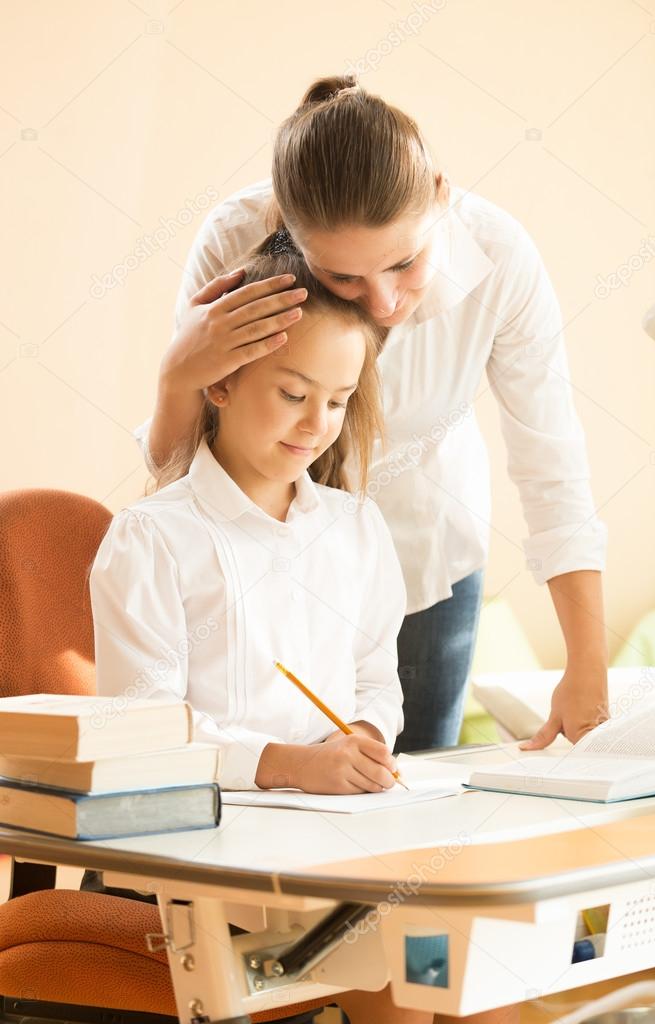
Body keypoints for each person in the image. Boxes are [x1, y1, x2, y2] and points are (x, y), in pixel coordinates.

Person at [139, 76, 609, 758]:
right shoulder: (236, 237)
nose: (385, 301)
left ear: (441, 197)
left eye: (404, 263)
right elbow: (177, 468)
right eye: (345, 279)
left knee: (407, 794)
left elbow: (552, 464)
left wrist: (587, 663)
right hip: (257, 560)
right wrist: (178, 372)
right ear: (294, 241)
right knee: (255, 786)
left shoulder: (502, 258)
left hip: (422, 561)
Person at [90, 233, 441, 1024]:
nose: (317, 423)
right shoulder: (154, 540)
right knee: (408, 959)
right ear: (217, 384)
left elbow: (375, 676)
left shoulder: (355, 528)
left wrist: (360, 730)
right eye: (292, 394)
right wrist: (286, 764)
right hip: (210, 857)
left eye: (339, 399)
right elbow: (145, 739)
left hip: (338, 841)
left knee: (470, 962)